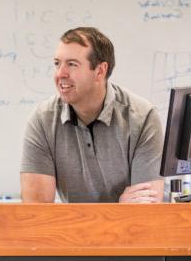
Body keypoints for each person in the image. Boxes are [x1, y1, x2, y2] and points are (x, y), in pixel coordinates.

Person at [20, 27, 164, 203]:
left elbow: (147, 210)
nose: (60, 74)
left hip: (129, 231)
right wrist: (119, 210)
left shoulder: (143, 117)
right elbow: (36, 213)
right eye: (57, 63)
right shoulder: (42, 120)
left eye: (72, 64)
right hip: (71, 231)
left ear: (100, 71)